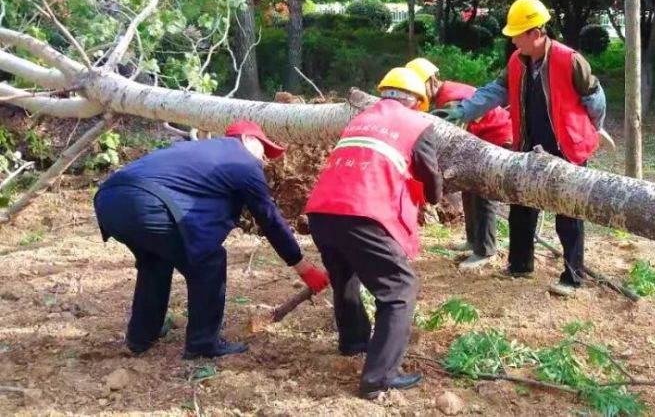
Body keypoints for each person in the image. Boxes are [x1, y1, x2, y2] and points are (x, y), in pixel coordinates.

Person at [93, 120, 329, 359]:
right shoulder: (243, 161)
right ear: (246, 139)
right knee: (209, 261)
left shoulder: (201, 152)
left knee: (155, 262)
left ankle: (141, 336)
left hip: (109, 198)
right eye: (263, 150)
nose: (264, 160)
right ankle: (202, 344)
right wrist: (302, 266)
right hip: (148, 204)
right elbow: (270, 219)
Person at [438, 0, 606, 297]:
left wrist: (593, 128)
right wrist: (463, 111)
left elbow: (595, 98)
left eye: (518, 34)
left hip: (566, 149)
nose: (513, 40)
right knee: (521, 207)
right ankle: (520, 266)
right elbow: (495, 90)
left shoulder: (569, 60)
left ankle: (572, 277)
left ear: (536, 33)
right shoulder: (518, 61)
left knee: (568, 214)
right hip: (530, 146)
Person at [304, 67, 443, 400]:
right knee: (399, 289)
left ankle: (353, 342)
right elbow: (430, 177)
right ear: (417, 101)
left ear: (384, 93)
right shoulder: (419, 124)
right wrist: (435, 197)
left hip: (322, 211)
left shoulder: (360, 119)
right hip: (362, 211)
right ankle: (378, 379)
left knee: (345, 277)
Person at [406, 57, 513, 270]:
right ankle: (473, 240)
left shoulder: (451, 100)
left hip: (496, 139)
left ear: (430, 81)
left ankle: (485, 250)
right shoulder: (445, 94)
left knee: (483, 192)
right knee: (468, 188)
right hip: (479, 141)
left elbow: (450, 141)